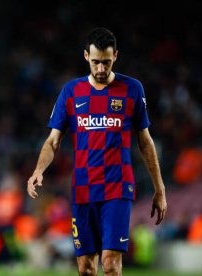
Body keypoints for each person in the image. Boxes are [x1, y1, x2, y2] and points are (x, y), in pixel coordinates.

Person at [27, 27, 167, 276]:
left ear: (116, 56)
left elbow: (145, 141)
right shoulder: (71, 92)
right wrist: (39, 169)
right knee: (86, 268)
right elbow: (53, 141)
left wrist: (160, 188)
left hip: (118, 187)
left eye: (106, 62)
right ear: (85, 57)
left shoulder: (132, 89)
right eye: (95, 62)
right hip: (83, 189)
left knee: (111, 264)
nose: (101, 69)